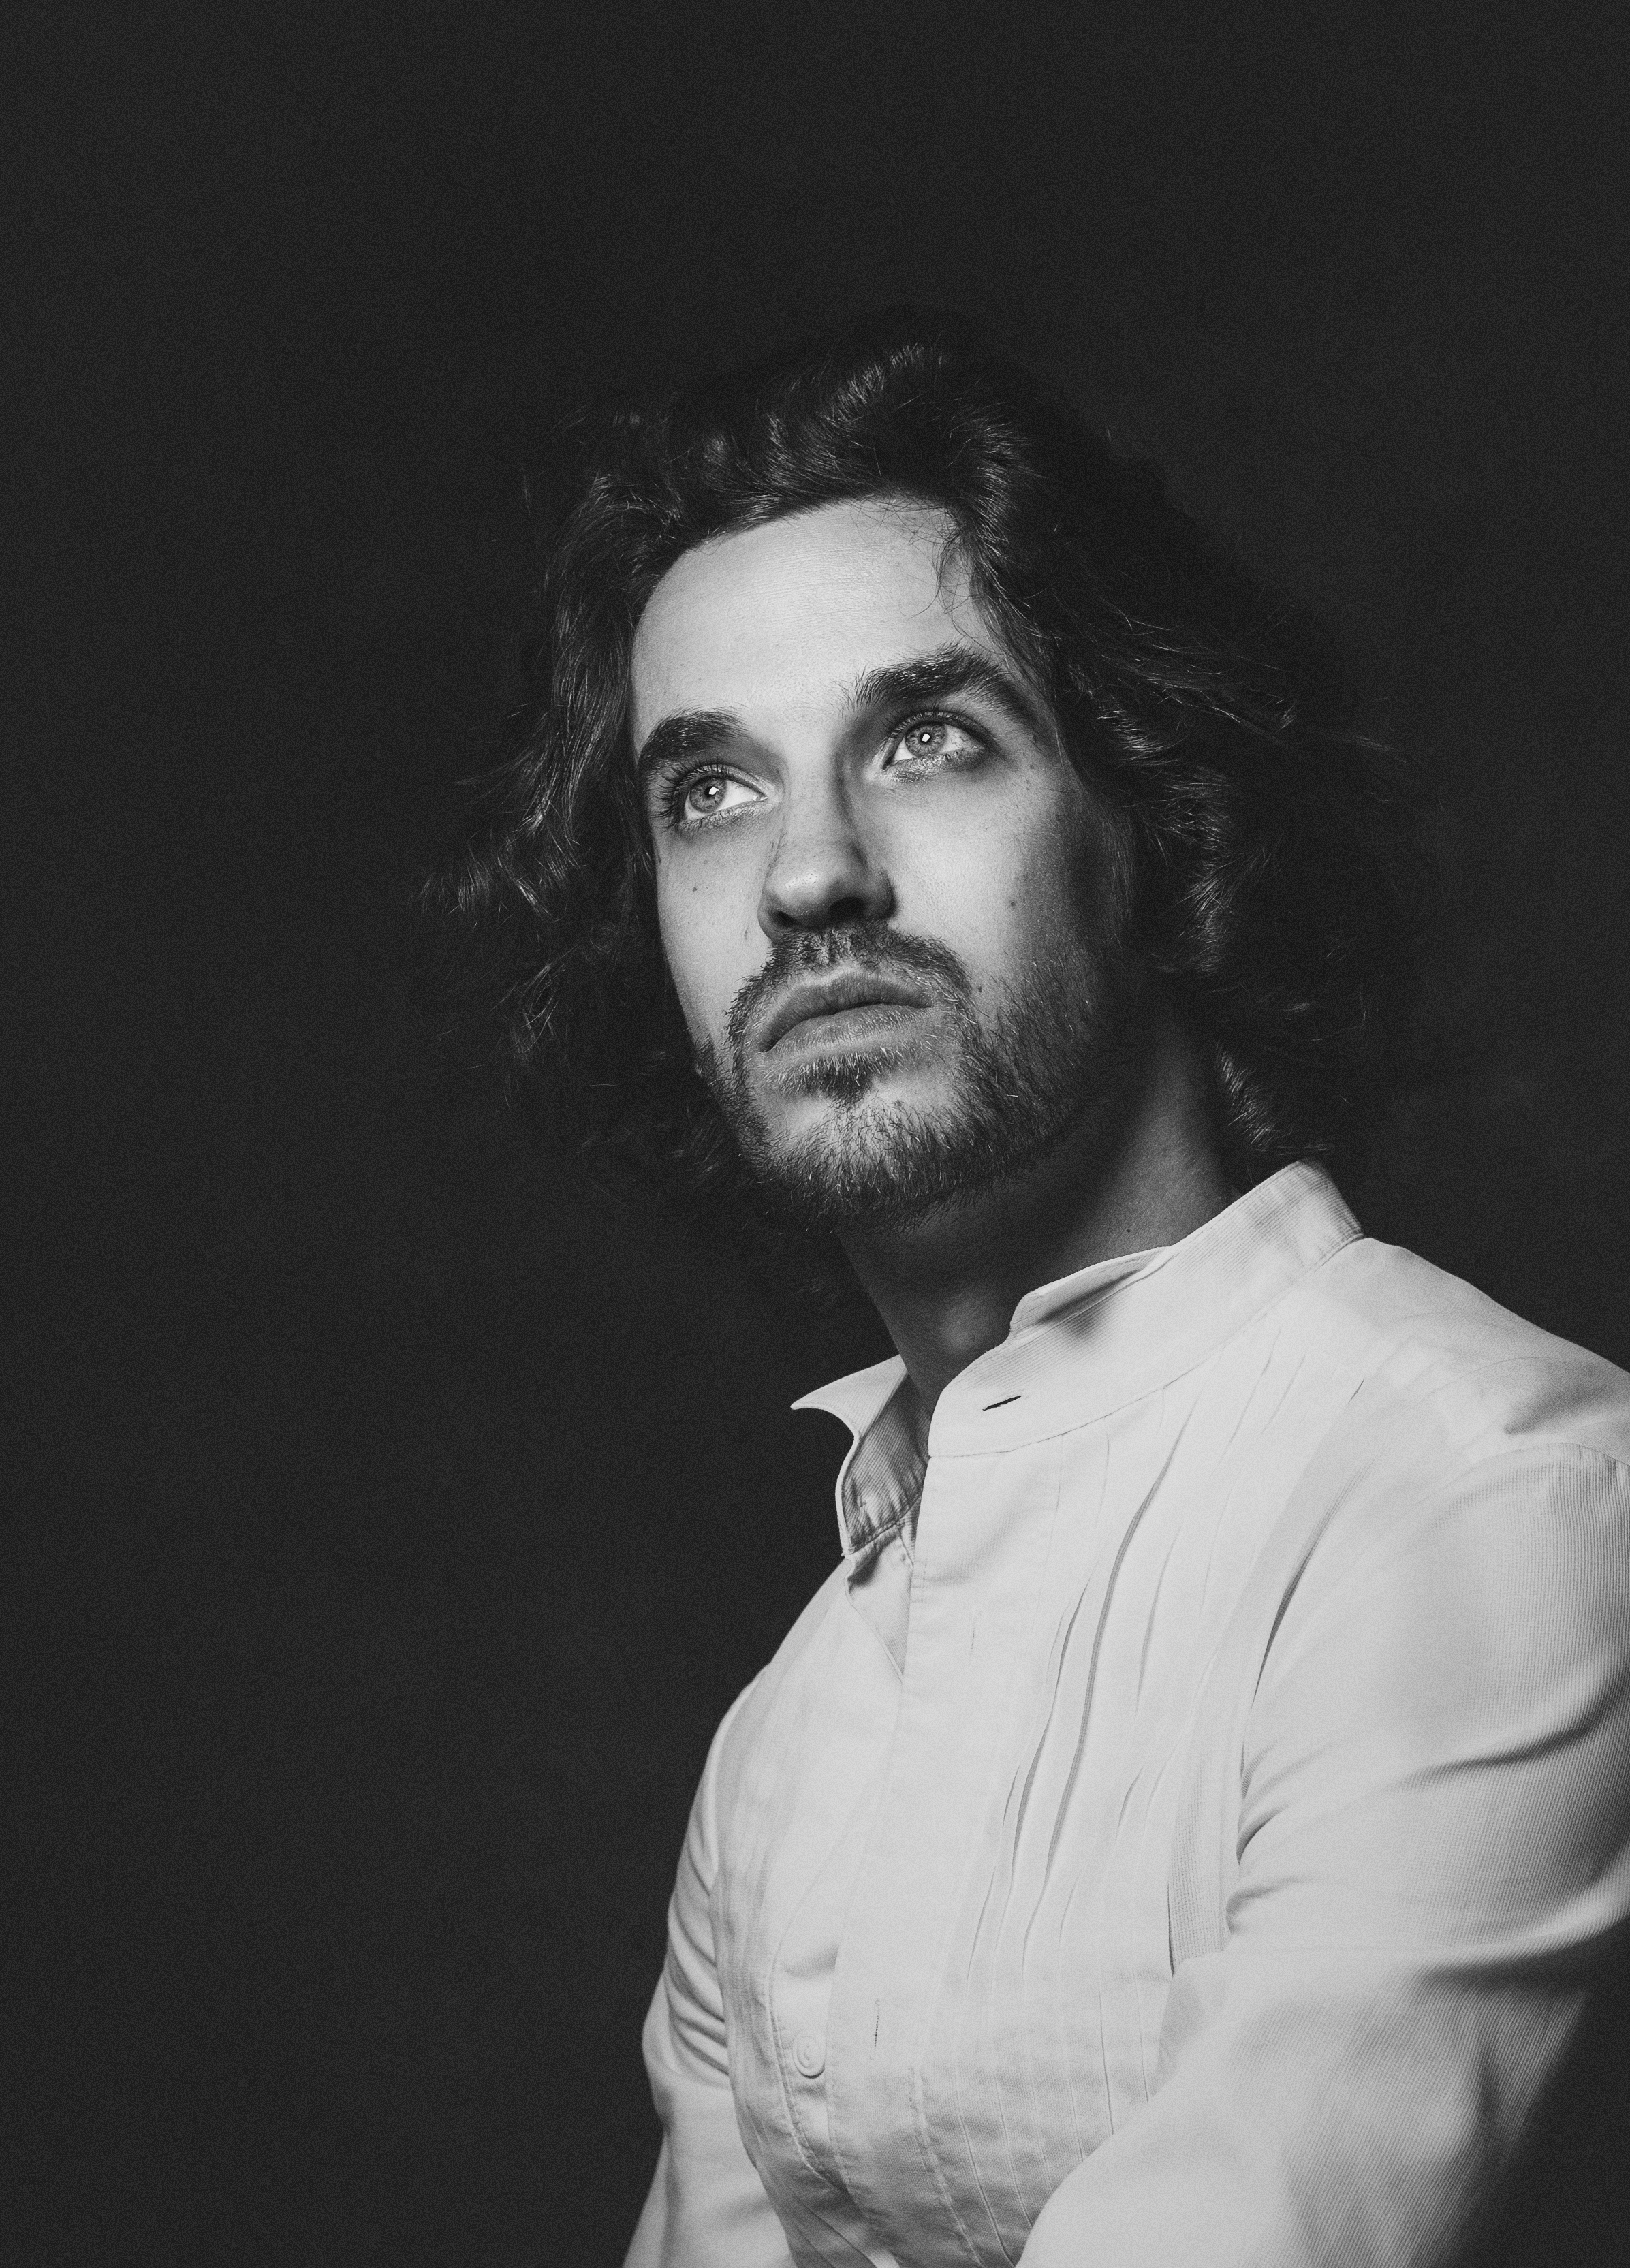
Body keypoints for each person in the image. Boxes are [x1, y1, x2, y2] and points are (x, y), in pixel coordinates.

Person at [418, 312, 1630, 2265]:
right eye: (709, 792)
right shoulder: (792, 1733)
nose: (809, 874)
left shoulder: (1485, 1493)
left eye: (927, 741)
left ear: (1147, 820)